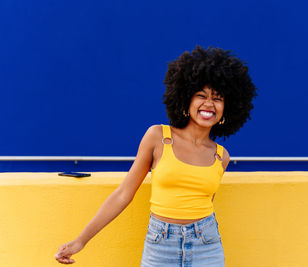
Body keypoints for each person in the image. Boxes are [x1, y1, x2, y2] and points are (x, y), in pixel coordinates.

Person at [54, 45, 257, 266]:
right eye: (201, 95)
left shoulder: (221, 156)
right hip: (161, 244)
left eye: (217, 98)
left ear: (227, 108)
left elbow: (203, 200)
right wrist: (81, 241)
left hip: (207, 244)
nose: (209, 103)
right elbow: (123, 194)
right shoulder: (158, 137)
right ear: (185, 99)